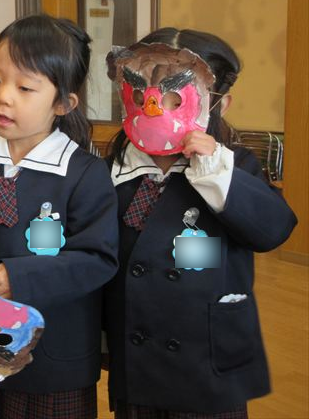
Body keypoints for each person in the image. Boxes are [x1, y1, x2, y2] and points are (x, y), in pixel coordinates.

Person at [103, 28, 297, 418]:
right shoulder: (114, 171)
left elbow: (274, 229)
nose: (155, 109)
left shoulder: (233, 166)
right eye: (142, 96)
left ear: (218, 104)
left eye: (175, 98)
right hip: (137, 351)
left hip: (206, 354)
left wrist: (216, 174)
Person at [0, 14, 119, 419]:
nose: (3, 97)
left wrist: (19, 277)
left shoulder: (85, 173)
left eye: (24, 87)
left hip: (53, 353)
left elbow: (97, 258)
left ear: (63, 103)